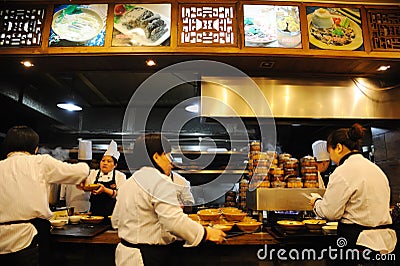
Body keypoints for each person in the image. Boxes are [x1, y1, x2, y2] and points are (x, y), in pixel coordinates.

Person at [111, 133, 226, 266]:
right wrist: (206, 233)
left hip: (125, 255)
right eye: (167, 154)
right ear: (156, 157)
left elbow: (115, 221)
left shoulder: (129, 182)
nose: (171, 161)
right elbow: (173, 221)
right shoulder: (160, 180)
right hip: (146, 257)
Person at [0, 126, 89, 266]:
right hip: (27, 237)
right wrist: (85, 171)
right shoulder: (40, 162)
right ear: (35, 149)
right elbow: (80, 171)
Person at [311, 123, 397, 256]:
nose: (331, 158)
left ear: (338, 147)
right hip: (386, 244)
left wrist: (316, 202)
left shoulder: (342, 172)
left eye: (330, 152)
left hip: (359, 244)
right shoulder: (376, 170)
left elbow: (330, 212)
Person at [86, 140, 126, 217]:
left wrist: (104, 190)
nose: (105, 163)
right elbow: (86, 188)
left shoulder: (120, 176)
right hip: (94, 215)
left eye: (109, 161)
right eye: (103, 160)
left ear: (115, 165)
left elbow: (121, 195)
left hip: (113, 215)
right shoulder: (93, 173)